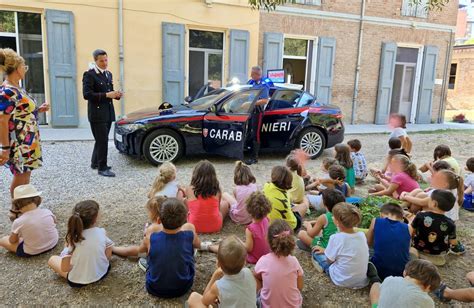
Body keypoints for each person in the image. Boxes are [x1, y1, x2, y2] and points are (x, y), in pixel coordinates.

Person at [0, 48, 49, 205]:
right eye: (24, 66)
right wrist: (5, 148)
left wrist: (38, 109)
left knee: (25, 175)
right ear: (16, 68)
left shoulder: (16, 88)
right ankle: (17, 210)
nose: (25, 70)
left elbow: (19, 111)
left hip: (28, 142)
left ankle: (23, 208)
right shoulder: (8, 91)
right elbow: (2, 120)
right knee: (21, 177)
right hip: (20, 144)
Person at [48, 200, 113, 287]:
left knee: (52, 259)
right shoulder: (101, 232)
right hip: (102, 273)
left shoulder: (73, 239)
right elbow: (108, 257)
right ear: (96, 218)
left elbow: (65, 268)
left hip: (77, 281)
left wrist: (65, 249)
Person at [145, 198, 202, 298]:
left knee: (152, 254)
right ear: (185, 218)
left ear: (158, 220)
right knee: (189, 249)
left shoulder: (151, 235)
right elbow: (198, 244)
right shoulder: (189, 232)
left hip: (154, 288)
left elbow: (145, 248)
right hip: (183, 287)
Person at [82, 49, 122, 177]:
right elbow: (87, 95)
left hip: (108, 112)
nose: (105, 63)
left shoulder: (108, 74)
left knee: (100, 139)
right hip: (97, 114)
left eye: (106, 60)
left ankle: (95, 163)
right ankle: (102, 167)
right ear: (95, 61)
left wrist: (116, 95)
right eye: (101, 61)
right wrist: (106, 94)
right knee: (102, 140)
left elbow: (109, 92)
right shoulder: (89, 75)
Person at [187, 236, 257, 308]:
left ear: (218, 263)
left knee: (193, 297)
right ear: (244, 262)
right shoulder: (248, 272)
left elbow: (204, 301)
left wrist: (215, 276)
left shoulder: (218, 286)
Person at [312, 203, 369, 289]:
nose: (332, 218)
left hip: (341, 279)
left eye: (333, 217)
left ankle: (321, 266)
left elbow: (329, 261)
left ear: (338, 222)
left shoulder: (335, 238)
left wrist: (326, 251)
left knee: (316, 253)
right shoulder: (361, 235)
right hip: (361, 280)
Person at [254, 219, 304, 308]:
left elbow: (256, 276)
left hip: (267, 306)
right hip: (294, 306)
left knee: (255, 280)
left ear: (269, 241)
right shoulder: (294, 261)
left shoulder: (263, 261)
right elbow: (300, 286)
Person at [0, 184, 58, 257]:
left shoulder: (19, 221)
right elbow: (55, 222)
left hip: (31, 251)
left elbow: (12, 241)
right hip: (53, 243)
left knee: (3, 240)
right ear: (38, 200)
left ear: (16, 205)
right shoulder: (47, 212)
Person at [409, 190, 460, 266]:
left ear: (434, 204)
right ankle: (432, 259)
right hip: (438, 253)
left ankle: (418, 255)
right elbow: (453, 242)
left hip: (419, 247)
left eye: (429, 199)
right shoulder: (451, 223)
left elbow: (411, 230)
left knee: (411, 244)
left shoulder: (421, 215)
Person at [112, 197, 165, 265]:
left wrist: (146, 233)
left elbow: (142, 250)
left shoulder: (152, 229)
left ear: (152, 214)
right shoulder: (173, 224)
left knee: (134, 251)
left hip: (156, 260)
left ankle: (114, 249)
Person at [369, 259, 441, 308]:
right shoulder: (427, 301)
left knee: (376, 285)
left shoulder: (389, 279)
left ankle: (375, 278)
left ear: (404, 272)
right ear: (428, 287)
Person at [366, 203, 410, 281]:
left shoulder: (376, 221)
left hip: (378, 270)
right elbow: (406, 249)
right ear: (402, 219)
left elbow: (368, 243)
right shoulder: (408, 228)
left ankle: (373, 275)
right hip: (401, 273)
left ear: (381, 215)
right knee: (413, 251)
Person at [186, 160, 226, 233]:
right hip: (215, 226)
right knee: (225, 204)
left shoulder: (189, 189)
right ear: (213, 176)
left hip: (193, 227)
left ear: (195, 174)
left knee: (185, 202)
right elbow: (218, 208)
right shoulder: (217, 190)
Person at [264, 166, 308, 232]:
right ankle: (306, 199)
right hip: (289, 227)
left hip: (271, 225)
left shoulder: (266, 186)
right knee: (304, 205)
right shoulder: (286, 194)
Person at [245, 66, 271, 165]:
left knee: (255, 134)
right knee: (249, 132)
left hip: (257, 111)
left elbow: (265, 100)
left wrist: (252, 103)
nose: (251, 75)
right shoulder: (251, 83)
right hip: (250, 111)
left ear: (257, 74)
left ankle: (254, 157)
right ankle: (248, 151)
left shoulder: (264, 85)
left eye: (252, 74)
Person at [225, 161, 258, 225]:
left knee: (225, 195)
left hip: (239, 218)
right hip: (251, 218)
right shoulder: (254, 186)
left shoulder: (236, 189)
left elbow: (238, 203)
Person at [243, 191, 271, 264]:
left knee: (234, 247)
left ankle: (211, 247)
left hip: (256, 258)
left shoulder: (250, 229)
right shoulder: (267, 219)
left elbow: (249, 248)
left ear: (249, 209)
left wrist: (241, 244)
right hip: (268, 254)